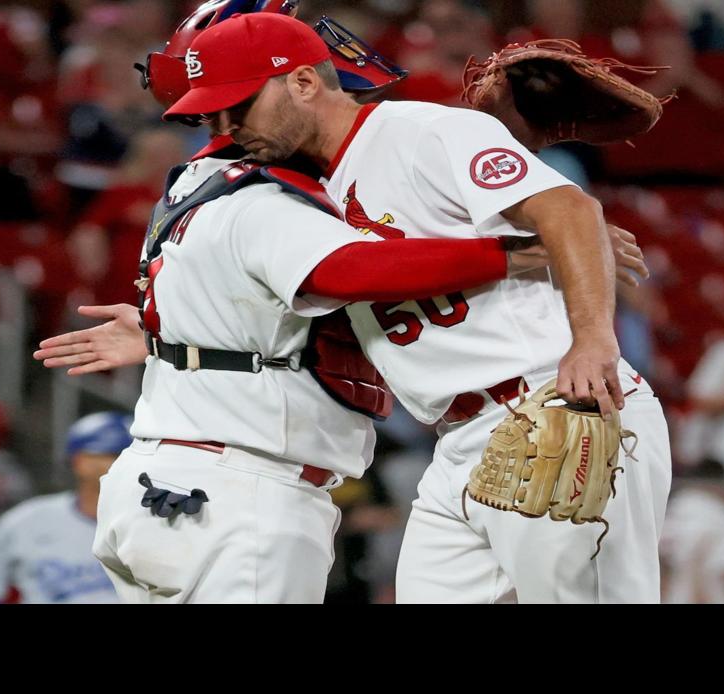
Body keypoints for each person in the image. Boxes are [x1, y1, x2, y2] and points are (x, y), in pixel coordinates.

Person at [34, 1, 561, 604]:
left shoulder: (195, 185)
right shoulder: (260, 197)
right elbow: (349, 269)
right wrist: (513, 253)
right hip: (237, 496)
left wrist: (162, 338)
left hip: (169, 487)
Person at [162, 11, 673, 603]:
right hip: (458, 442)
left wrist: (593, 341)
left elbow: (574, 212)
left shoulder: (418, 132)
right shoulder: (306, 190)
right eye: (213, 112)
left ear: (303, 83)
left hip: (557, 405)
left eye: (240, 106)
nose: (224, 127)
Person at [0, 412, 132, 604]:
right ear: (79, 461)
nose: (127, 463)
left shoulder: (161, 522)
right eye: (114, 454)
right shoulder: (27, 521)